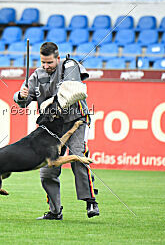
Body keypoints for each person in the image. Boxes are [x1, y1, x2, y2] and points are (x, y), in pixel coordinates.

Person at [13, 41, 100, 220]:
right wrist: (20, 96)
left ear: (58, 59)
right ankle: (54, 211)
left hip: (75, 121)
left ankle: (90, 200)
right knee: (47, 171)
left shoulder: (70, 66)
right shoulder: (36, 75)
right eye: (43, 62)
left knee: (78, 155)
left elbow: (72, 90)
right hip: (52, 128)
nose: (46, 66)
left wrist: (49, 102)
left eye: (50, 63)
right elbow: (24, 102)